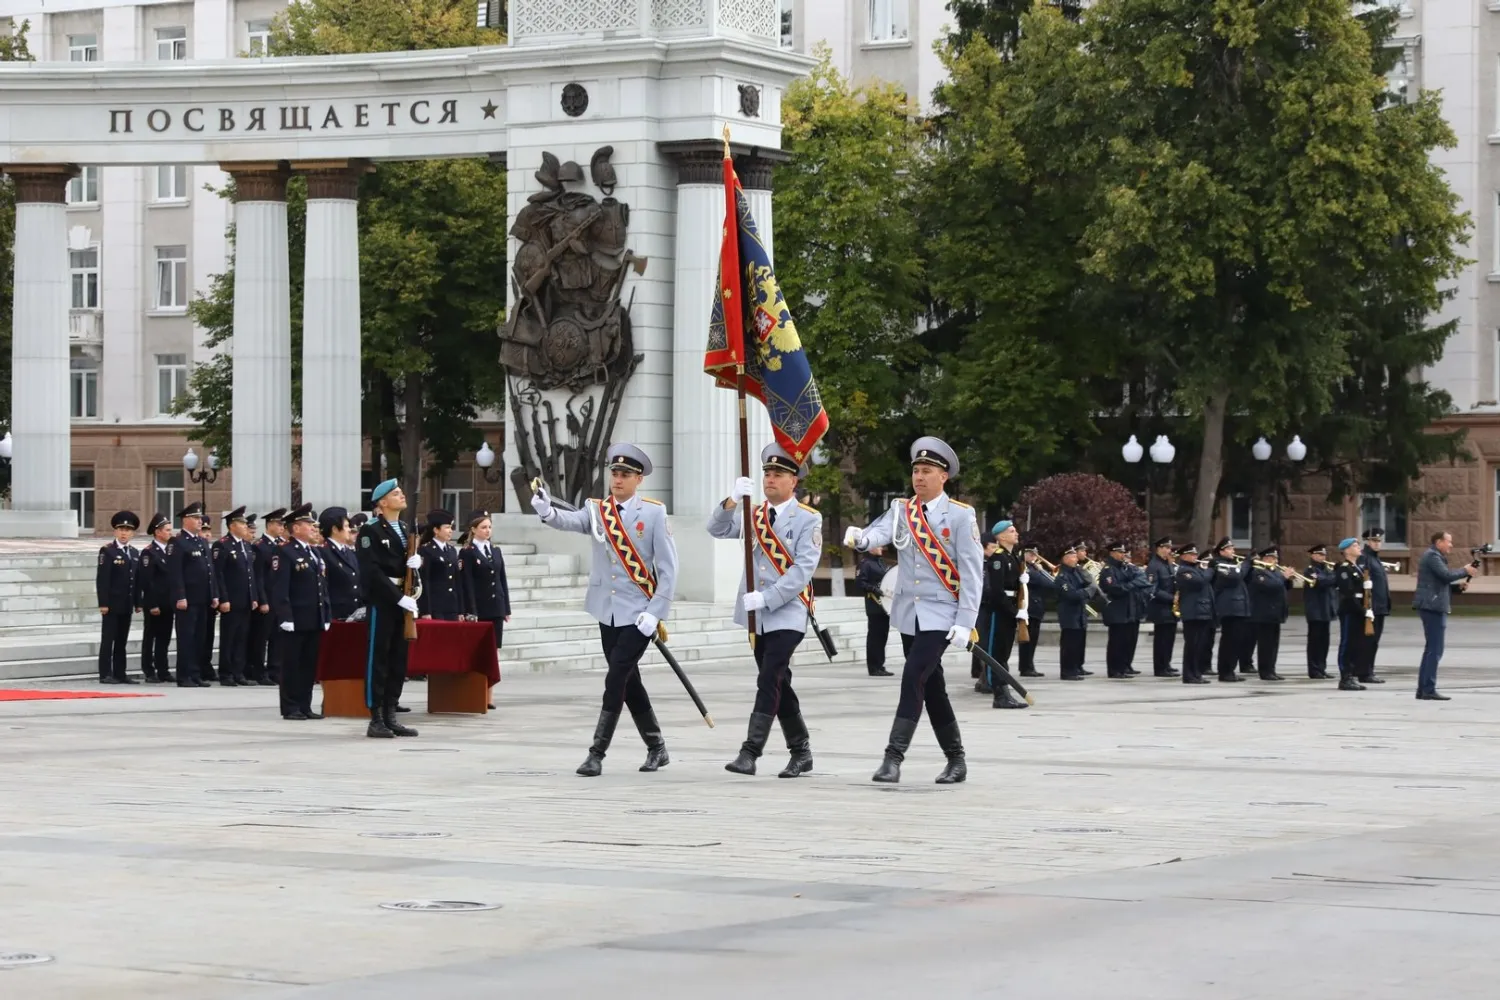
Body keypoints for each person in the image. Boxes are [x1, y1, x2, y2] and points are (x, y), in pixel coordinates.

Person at [532, 444, 677, 776]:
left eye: (625, 474)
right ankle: (657, 747)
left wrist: (656, 611)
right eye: (615, 473)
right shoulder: (598, 510)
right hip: (606, 610)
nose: (618, 479)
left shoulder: (653, 513)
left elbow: (669, 569)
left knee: (615, 678)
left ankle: (596, 753)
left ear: (638, 479)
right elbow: (570, 521)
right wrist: (546, 511)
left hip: (638, 614)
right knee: (629, 681)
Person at [845, 436, 979, 785]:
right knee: (932, 687)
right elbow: (878, 533)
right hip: (908, 612)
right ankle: (956, 760)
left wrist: (965, 622)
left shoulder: (961, 516)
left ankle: (893, 758)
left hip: (942, 613)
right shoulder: (902, 510)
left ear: (943, 476)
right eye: (916, 470)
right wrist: (861, 538)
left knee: (913, 676)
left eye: (927, 471)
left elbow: (972, 573)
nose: (919, 477)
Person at [708, 443, 823, 776]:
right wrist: (731, 501)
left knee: (769, 677)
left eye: (778, 474)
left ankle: (750, 752)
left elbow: (803, 569)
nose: (770, 479)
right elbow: (716, 529)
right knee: (778, 683)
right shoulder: (752, 513)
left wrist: (768, 597)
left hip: (787, 612)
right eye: (767, 473)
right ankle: (801, 751)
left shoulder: (808, 519)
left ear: (793, 481)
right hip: (756, 616)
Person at [356, 481, 422, 738]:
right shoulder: (369, 530)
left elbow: (406, 567)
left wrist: (418, 564)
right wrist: (397, 598)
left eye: (401, 492)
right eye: (396, 493)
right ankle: (375, 718)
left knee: (398, 660)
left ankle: (391, 715)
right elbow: (371, 571)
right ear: (382, 502)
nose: (402, 495)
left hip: (403, 600)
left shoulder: (405, 529)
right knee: (379, 660)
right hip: (383, 601)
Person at [270, 503, 331, 721]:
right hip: (295, 619)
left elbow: (322, 586)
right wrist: (285, 617)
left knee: (308, 665)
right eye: (308, 524)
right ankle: (290, 707)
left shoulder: (314, 552)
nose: (314, 528)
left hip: (314, 618)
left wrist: (325, 614)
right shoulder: (284, 552)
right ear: (295, 528)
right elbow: (280, 588)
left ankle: (305, 705)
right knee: (291, 665)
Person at [1412, 531, 1476, 701]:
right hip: (1432, 607)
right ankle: (1428, 689)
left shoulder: (1434, 556)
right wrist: (1465, 570)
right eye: (1449, 541)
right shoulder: (1432, 556)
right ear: (1439, 542)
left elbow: (1439, 583)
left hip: (1432, 605)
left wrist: (1457, 587)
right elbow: (1446, 576)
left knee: (1431, 649)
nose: (1451, 545)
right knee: (1435, 650)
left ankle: (1423, 689)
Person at [460, 510, 510, 711]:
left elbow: (502, 579)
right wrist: (470, 609)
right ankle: (478, 693)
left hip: (496, 606)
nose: (487, 531)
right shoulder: (468, 552)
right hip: (479, 608)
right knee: (479, 651)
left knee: (493, 651)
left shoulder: (495, 550)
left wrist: (506, 608)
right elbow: (467, 583)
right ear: (473, 530)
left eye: (489, 527)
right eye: (483, 527)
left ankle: (490, 695)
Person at [165, 502, 219, 687]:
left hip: (203, 598)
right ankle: (184, 676)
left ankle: (196, 674)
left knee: (199, 638)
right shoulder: (178, 542)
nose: (200, 521)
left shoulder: (201, 541)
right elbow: (175, 573)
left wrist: (214, 594)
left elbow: (210, 570)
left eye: (200, 518)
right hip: (187, 599)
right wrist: (180, 596)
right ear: (185, 520)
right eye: (196, 518)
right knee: (186, 638)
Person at [979, 520, 1029, 708]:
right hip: (999, 612)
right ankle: (999, 695)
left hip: (1009, 610)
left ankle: (1005, 693)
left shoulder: (1013, 557)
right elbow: (997, 592)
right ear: (1001, 536)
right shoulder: (998, 559)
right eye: (1011, 531)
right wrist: (1015, 612)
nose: (1016, 533)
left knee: (1004, 654)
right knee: (996, 654)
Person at [211, 507, 259, 686]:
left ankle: (239, 672)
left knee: (241, 637)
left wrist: (254, 596)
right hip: (231, 600)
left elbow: (250, 574)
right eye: (242, 523)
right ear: (232, 526)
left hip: (245, 599)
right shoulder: (222, 545)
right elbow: (219, 574)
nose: (246, 526)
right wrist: (223, 598)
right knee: (229, 637)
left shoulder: (245, 545)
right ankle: (226, 673)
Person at [96, 510, 141, 685]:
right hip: (112, 603)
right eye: (121, 529)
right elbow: (103, 579)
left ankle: (120, 672)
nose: (124, 533)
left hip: (126, 603)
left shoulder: (134, 553)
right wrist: (103, 603)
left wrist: (138, 602)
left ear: (132, 533)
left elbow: (136, 580)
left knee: (122, 640)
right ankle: (105, 673)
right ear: (115, 531)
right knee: (108, 639)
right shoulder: (108, 551)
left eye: (128, 530)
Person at [1100, 540, 1151, 679]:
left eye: (1123, 552)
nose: (1123, 555)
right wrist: (1132, 584)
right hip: (1117, 610)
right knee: (1116, 642)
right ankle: (1114, 670)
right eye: (1120, 552)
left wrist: (1130, 584)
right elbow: (1115, 589)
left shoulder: (1125, 567)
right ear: (1112, 553)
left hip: (1128, 608)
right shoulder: (1108, 570)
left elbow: (1143, 580)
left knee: (1126, 641)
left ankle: (1123, 667)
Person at [134, 513, 175, 684]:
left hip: (168, 602)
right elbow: (146, 581)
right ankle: (149, 670)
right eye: (167, 530)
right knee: (151, 637)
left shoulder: (170, 550)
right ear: (158, 532)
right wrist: (152, 604)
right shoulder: (149, 552)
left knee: (164, 637)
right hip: (155, 603)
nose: (170, 533)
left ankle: (163, 669)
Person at [249, 509, 287, 686]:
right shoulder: (259, 546)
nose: (282, 527)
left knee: (277, 638)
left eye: (283, 524)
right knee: (261, 638)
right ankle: (258, 671)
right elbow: (258, 576)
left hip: (279, 599)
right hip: (267, 598)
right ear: (270, 524)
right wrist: (263, 600)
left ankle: (275, 670)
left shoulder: (281, 545)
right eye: (279, 524)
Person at [1209, 539, 1253, 682]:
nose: (1233, 551)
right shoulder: (1219, 564)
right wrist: (1247, 563)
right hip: (1229, 608)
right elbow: (1236, 576)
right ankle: (1225, 672)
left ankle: (1230, 670)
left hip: (1238, 608)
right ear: (1221, 551)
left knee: (1236, 641)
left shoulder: (1232, 564)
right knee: (1229, 642)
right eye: (1229, 549)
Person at [1247, 546, 1293, 681]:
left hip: (1275, 613)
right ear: (1266, 558)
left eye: (1276, 558)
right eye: (1273, 558)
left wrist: (1288, 579)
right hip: (1264, 614)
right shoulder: (1258, 572)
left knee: (1273, 645)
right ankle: (1265, 671)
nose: (1276, 561)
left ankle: (1271, 669)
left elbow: (1284, 586)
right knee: (1265, 645)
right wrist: (1284, 577)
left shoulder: (1275, 571)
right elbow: (1271, 586)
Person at [1333, 537, 1372, 691]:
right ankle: (1345, 677)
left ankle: (1352, 675)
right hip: (1349, 609)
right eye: (1355, 546)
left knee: (1356, 644)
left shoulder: (1356, 567)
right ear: (1347, 550)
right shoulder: (1344, 569)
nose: (1358, 548)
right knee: (1347, 643)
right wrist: (1363, 610)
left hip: (1358, 609)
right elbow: (1348, 593)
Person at [1173, 544, 1214, 684]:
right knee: (1192, 645)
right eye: (1192, 555)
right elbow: (1200, 582)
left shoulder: (1195, 569)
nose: (1195, 557)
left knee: (1199, 645)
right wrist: (1210, 569)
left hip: (1200, 611)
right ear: (1184, 556)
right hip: (1192, 612)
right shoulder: (1184, 571)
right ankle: (1189, 674)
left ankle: (1196, 673)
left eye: (1196, 555)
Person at [417, 510, 467, 622]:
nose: (451, 531)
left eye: (451, 527)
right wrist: (426, 610)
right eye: (447, 527)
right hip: (435, 607)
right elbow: (425, 581)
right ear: (436, 530)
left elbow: (457, 581)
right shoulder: (426, 550)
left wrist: (460, 610)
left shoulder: (452, 550)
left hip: (452, 606)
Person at [1357, 527, 1392, 684]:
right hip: (1372, 607)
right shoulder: (1365, 558)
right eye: (1374, 541)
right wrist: (1367, 606)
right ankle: (1364, 672)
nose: (1377, 543)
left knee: (1374, 641)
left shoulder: (1375, 559)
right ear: (1367, 542)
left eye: (1379, 541)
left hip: (1380, 606)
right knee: (1368, 642)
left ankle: (1368, 669)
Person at [1054, 544, 1093, 681]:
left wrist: (1088, 590)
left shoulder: (1076, 572)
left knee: (1077, 643)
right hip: (1069, 614)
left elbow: (1086, 584)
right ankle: (1067, 671)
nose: (1076, 559)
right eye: (1073, 556)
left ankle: (1076, 667)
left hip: (1079, 612)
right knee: (1069, 645)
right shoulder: (1062, 577)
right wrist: (1088, 591)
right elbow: (1072, 595)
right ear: (1065, 558)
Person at [319, 507, 363, 621]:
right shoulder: (323, 552)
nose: (350, 529)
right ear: (334, 529)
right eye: (346, 526)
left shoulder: (349, 552)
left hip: (353, 615)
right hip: (335, 617)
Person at [1145, 537, 1180, 678]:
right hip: (1160, 607)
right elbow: (1152, 589)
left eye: (1169, 548)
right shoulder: (1154, 566)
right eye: (1166, 547)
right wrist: (1172, 598)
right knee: (1162, 639)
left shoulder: (1168, 564)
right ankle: (1160, 667)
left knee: (1170, 638)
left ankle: (1167, 664)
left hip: (1171, 608)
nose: (1169, 550)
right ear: (1159, 548)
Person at [855, 545, 892, 676]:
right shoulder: (865, 564)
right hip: (874, 605)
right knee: (875, 638)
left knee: (882, 636)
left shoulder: (881, 562)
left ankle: (880, 665)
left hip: (884, 606)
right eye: (878, 545)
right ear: (870, 548)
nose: (881, 547)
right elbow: (860, 583)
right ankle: (874, 667)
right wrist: (874, 589)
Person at [1018, 542, 1053, 678]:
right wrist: (1041, 571)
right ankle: (1025, 667)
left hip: (1036, 608)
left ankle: (1029, 665)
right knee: (1027, 640)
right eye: (1031, 554)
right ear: (1025, 554)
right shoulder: (1025, 568)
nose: (1034, 557)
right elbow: (1047, 583)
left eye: (1035, 554)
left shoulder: (1034, 567)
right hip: (1029, 607)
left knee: (1033, 640)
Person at [1302, 544, 1336, 679]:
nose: (1323, 557)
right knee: (1315, 642)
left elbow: (1332, 581)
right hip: (1315, 610)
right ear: (1313, 556)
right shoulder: (1310, 570)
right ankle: (1314, 669)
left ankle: (1322, 668)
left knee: (1324, 642)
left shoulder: (1327, 569)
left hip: (1326, 609)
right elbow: (1322, 582)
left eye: (1324, 555)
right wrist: (1336, 575)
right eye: (1320, 555)